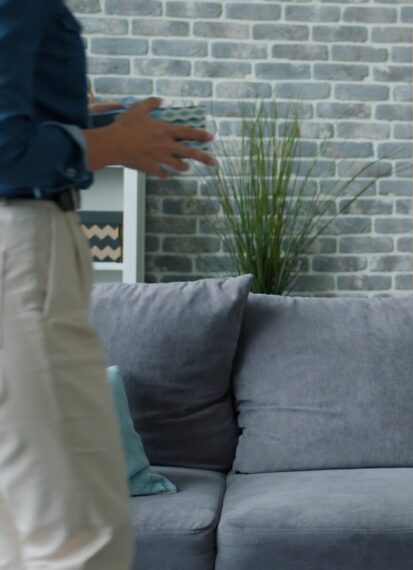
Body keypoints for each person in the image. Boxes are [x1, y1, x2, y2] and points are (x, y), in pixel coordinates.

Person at [0, 1, 216, 568]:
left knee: (25, 526)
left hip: (27, 242)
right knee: (77, 531)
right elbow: (4, 151)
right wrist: (111, 145)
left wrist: (96, 126)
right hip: (21, 242)